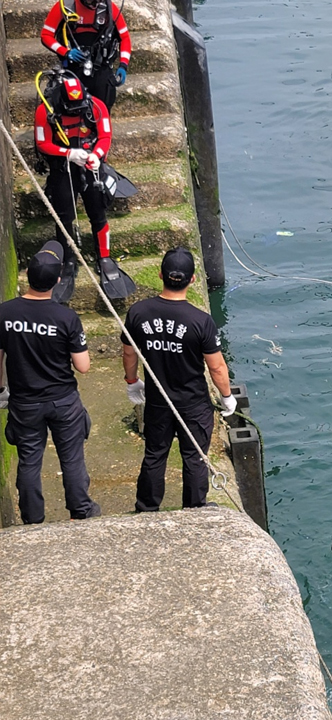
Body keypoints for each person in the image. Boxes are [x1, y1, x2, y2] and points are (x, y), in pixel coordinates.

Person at [122, 248, 234, 511]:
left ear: (161, 275)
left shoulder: (138, 312)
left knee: (154, 454)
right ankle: (195, 508)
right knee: (194, 457)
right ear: (193, 279)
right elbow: (216, 367)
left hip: (158, 400)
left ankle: (147, 507)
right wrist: (227, 397)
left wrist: (132, 381)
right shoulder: (201, 321)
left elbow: (129, 351)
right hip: (193, 402)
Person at [0, 242, 98, 523]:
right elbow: (83, 366)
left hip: (24, 402)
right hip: (63, 401)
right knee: (72, 459)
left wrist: (0, 390)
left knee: (29, 461)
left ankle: (32, 518)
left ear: (27, 276)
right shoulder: (66, 317)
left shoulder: (5, 313)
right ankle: (81, 510)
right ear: (58, 281)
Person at [34, 71, 122, 303]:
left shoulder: (97, 106)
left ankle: (104, 256)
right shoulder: (46, 110)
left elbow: (105, 136)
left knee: (98, 212)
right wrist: (68, 153)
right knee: (64, 216)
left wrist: (96, 156)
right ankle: (68, 260)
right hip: (63, 167)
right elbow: (42, 143)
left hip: (90, 163)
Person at [40, 0, 131, 110]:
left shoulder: (109, 8)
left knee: (104, 103)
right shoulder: (65, 6)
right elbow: (46, 35)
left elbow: (125, 37)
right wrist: (65, 52)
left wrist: (123, 65)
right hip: (72, 68)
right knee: (70, 108)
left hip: (100, 67)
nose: (94, 4)